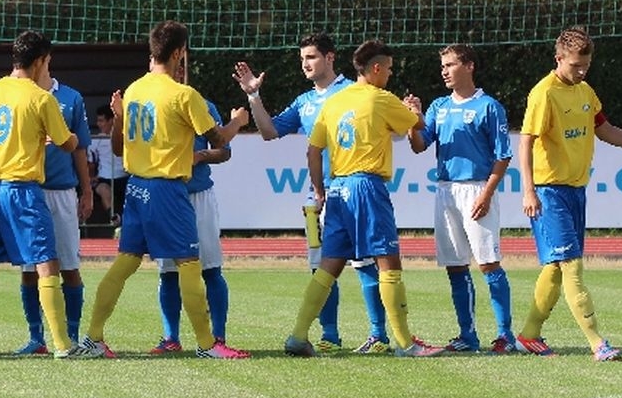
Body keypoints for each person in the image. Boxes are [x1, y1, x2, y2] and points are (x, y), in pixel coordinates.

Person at [85, 21, 250, 360]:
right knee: (190, 265)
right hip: (167, 190)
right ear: (179, 54)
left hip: (137, 189)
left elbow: (118, 150)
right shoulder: (184, 95)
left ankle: (94, 338)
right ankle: (207, 345)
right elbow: (218, 142)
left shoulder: (134, 91)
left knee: (124, 264)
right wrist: (235, 123)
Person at [514, 27, 622, 360]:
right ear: (559, 59)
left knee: (555, 267)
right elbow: (526, 141)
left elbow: (605, 129)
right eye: (575, 65)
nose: (582, 71)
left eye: (586, 65)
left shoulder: (586, 91)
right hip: (550, 192)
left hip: (576, 191)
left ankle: (529, 335)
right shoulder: (543, 94)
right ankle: (597, 342)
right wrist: (528, 191)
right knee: (571, 265)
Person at [285, 39, 442, 358]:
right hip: (367, 186)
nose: (390, 75)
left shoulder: (334, 102)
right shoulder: (380, 98)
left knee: (329, 266)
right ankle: (404, 343)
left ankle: (298, 335)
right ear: (376, 68)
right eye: (389, 69)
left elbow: (313, 151)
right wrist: (415, 110)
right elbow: (418, 127)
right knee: (388, 261)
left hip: (338, 188)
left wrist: (319, 190)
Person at [234, 33, 391, 353]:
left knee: (365, 263)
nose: (305, 64)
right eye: (302, 58)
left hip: (354, 190)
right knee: (321, 268)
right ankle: (329, 336)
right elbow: (268, 132)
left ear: (330, 58)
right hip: (317, 200)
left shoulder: (355, 90)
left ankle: (379, 336)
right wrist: (254, 96)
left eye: (312, 57)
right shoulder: (304, 102)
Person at [0, 30, 88, 360]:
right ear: (41, 60)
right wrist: (65, 137)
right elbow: (69, 143)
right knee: (46, 264)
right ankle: (62, 344)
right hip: (23, 191)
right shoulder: (42, 99)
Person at [409, 43, 517, 353]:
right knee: (455, 266)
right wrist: (413, 121)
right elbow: (419, 145)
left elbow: (503, 156)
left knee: (488, 264)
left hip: (477, 188)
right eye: (442, 65)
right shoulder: (439, 106)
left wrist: (486, 194)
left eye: (450, 64)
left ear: (469, 66)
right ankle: (467, 336)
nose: (444, 70)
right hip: (445, 190)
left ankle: (505, 335)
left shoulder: (489, 106)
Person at [13, 61, 93, 355]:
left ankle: (70, 335)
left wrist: (86, 190)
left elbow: (80, 146)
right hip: (28, 190)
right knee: (29, 269)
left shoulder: (70, 98)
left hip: (61, 192)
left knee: (69, 267)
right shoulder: (18, 94)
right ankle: (36, 338)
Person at [154, 73, 234, 355]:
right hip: (166, 195)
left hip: (199, 195)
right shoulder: (151, 103)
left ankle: (219, 338)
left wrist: (200, 157)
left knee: (211, 269)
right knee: (168, 273)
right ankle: (170, 338)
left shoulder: (202, 105)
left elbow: (223, 150)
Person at [86, 105, 126, 224]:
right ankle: (115, 219)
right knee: (104, 190)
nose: (99, 124)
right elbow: (91, 164)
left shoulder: (125, 137)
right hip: (105, 178)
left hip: (125, 176)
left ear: (111, 120)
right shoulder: (95, 141)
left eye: (102, 121)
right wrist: (91, 177)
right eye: (98, 121)